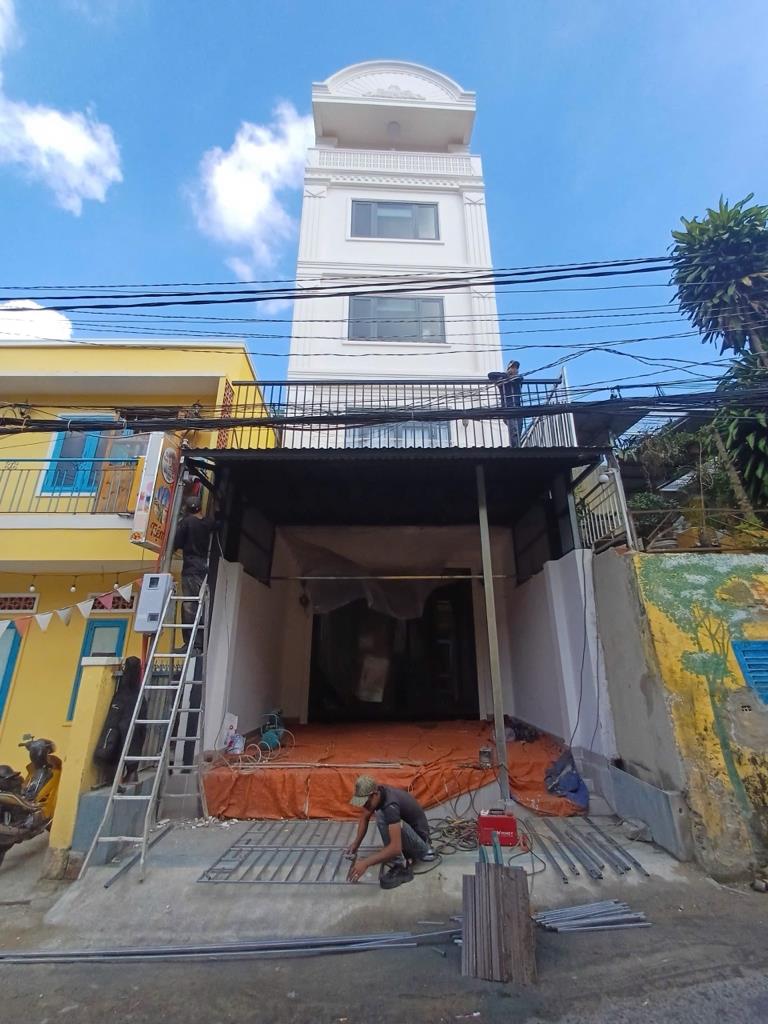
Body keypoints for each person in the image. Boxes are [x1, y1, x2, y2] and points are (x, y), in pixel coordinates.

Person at [345, 775, 436, 889]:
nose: (365, 806)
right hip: (411, 836)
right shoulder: (380, 793)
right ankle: (401, 856)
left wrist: (365, 863)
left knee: (383, 815)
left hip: (421, 846)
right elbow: (364, 817)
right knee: (381, 813)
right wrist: (356, 843)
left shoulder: (390, 805)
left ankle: (401, 866)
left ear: (374, 794)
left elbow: (395, 848)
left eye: (366, 803)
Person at [172, 495, 214, 650]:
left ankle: (193, 644)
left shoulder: (187, 522)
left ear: (188, 510)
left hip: (190, 567)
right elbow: (216, 524)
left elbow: (176, 542)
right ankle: (199, 643)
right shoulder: (207, 523)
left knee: (190, 606)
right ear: (200, 508)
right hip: (203, 567)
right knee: (200, 604)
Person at [487, 359, 523, 447]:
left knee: (518, 431)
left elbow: (520, 378)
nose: (515, 370)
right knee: (514, 431)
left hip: (518, 408)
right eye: (513, 367)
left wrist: (511, 378)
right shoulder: (503, 379)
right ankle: (514, 449)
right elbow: (490, 375)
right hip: (508, 409)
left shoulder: (518, 379)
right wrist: (506, 375)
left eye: (516, 368)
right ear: (509, 369)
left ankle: (517, 447)